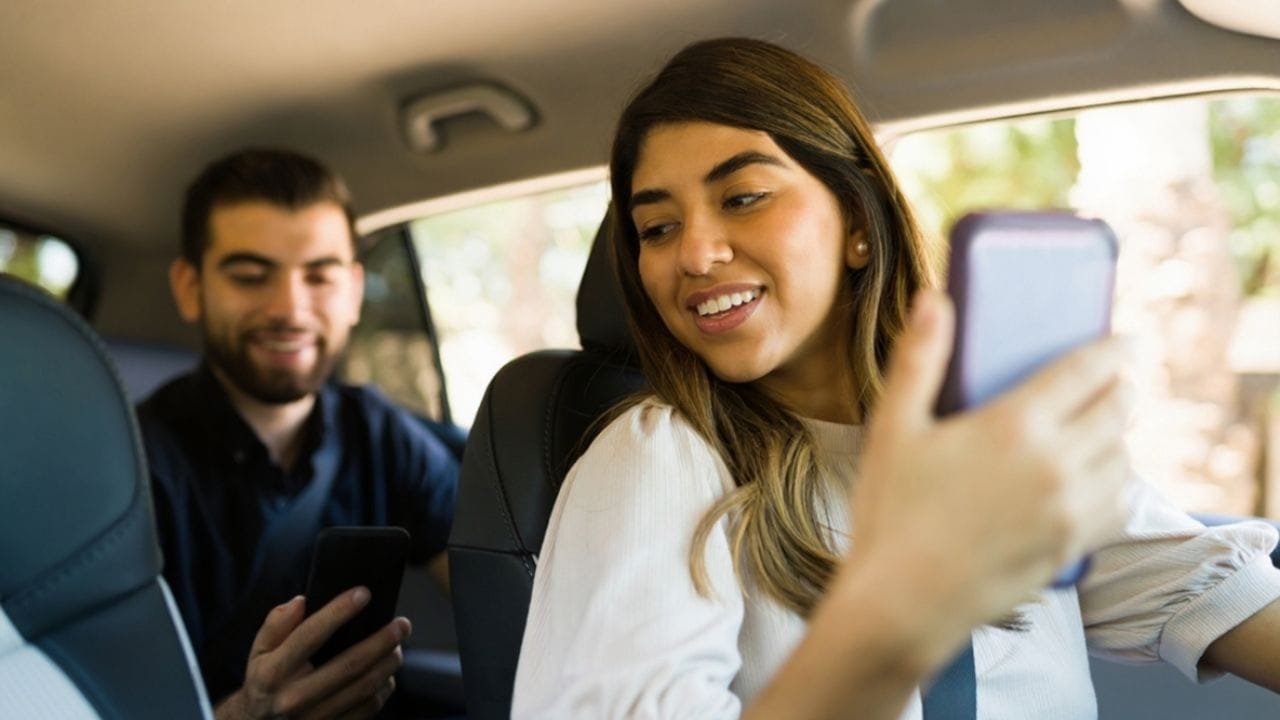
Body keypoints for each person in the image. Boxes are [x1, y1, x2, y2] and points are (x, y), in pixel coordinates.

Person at [511, 38, 1280, 719]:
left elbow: (1212, 594)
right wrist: (898, 611)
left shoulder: (988, 435)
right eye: (657, 228)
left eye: (742, 198)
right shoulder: (658, 459)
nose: (695, 253)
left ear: (855, 220)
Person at [136, 148, 459, 720]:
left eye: (319, 276)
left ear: (353, 291)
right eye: (250, 276)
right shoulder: (130, 468)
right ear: (190, 287)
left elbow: (500, 588)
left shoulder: (379, 431)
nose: (290, 308)